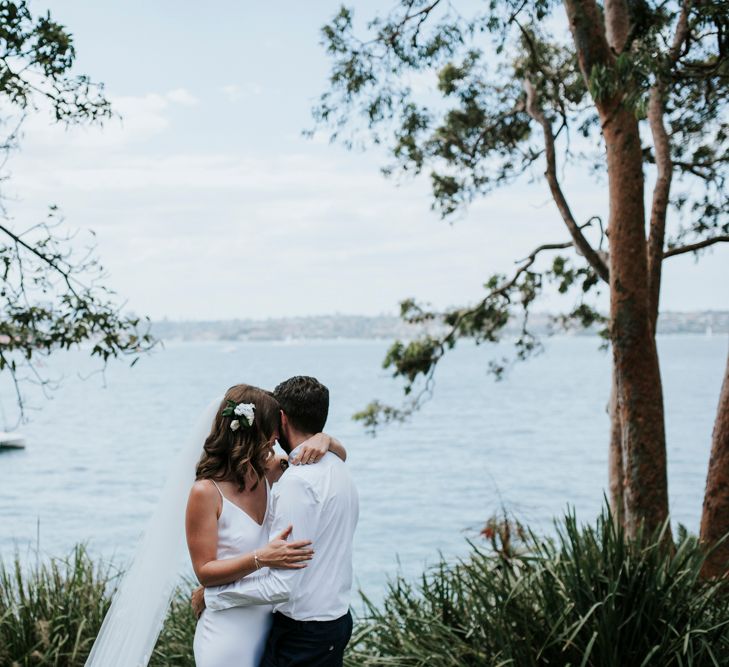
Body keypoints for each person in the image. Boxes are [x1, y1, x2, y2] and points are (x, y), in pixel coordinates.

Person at [195, 376, 359, 667]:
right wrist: (327, 440)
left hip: (302, 630)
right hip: (316, 624)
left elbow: (284, 586)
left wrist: (214, 597)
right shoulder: (333, 466)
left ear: (281, 418)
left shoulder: (294, 480)